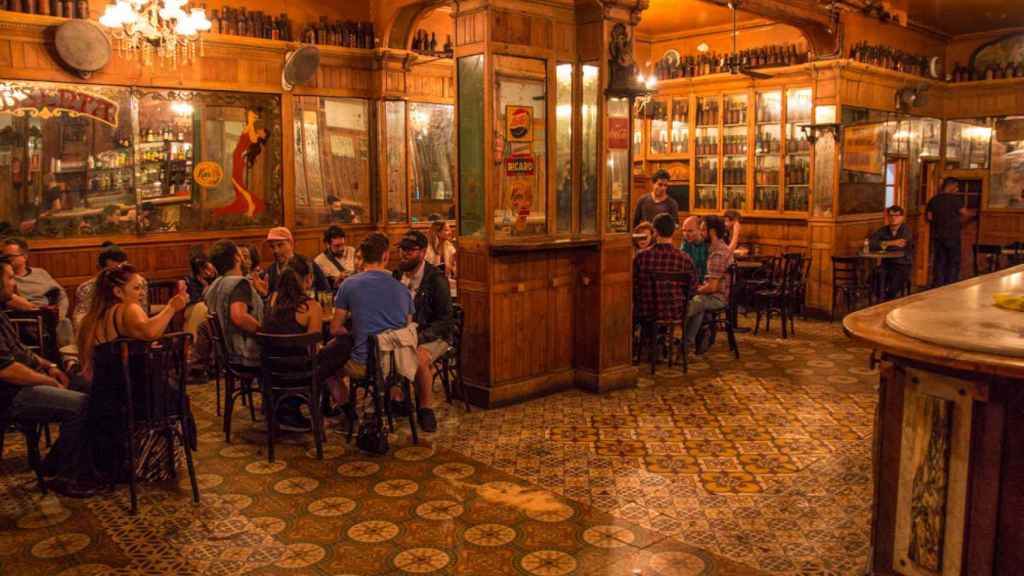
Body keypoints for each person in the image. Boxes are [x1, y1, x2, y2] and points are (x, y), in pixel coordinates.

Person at [48, 263, 188, 496]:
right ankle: (159, 459)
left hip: (106, 399)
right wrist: (172, 307)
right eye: (136, 288)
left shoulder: (94, 319)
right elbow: (149, 332)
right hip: (136, 398)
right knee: (175, 394)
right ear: (118, 292)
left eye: (142, 287)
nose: (142, 293)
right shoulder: (127, 309)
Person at [0, 256, 87, 494]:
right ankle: (65, 476)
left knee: (83, 387)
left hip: (21, 385)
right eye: (9, 278)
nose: (14, 285)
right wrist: (47, 380)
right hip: (10, 396)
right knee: (81, 405)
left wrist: (50, 366)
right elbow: (7, 370)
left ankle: (54, 463)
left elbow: (21, 351)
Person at [329, 232, 413, 393]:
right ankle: (391, 396)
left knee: (326, 366)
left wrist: (355, 332)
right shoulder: (403, 289)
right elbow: (407, 328)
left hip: (364, 365)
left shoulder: (349, 285)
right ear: (385, 256)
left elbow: (334, 329)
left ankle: (346, 409)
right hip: (399, 365)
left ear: (361, 257)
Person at [393, 230, 454, 433]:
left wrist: (418, 338)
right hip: (403, 332)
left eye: (409, 251)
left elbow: (445, 321)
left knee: (418, 357)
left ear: (423, 252)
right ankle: (397, 399)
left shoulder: (436, 279)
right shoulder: (397, 274)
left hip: (434, 335)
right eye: (402, 250)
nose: (404, 254)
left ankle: (425, 408)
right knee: (382, 348)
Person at [2, 237, 73, 346]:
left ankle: (69, 361)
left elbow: (61, 295)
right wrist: (35, 310)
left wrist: (61, 314)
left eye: (9, 256)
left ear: (24, 256)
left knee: (65, 322)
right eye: (3, 256)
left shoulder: (40, 273)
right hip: (24, 319)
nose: (5, 260)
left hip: (50, 315)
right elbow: (9, 299)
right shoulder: (4, 279)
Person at [634, 214, 696, 326]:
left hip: (647, 311)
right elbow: (692, 290)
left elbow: (635, 285)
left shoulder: (641, 256)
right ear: (673, 232)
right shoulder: (685, 258)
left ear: (655, 232)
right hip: (676, 312)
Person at [684, 215, 734, 352]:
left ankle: (670, 319)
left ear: (711, 232)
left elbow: (713, 287)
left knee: (694, 302)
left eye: (703, 230)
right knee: (698, 305)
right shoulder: (718, 248)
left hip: (718, 298)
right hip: (714, 295)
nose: (701, 233)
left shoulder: (717, 254)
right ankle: (686, 345)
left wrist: (694, 290)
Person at [73, 243, 150, 330]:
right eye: (112, 272)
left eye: (122, 271)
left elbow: (143, 315)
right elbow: (79, 321)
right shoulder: (87, 288)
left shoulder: (139, 283)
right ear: (99, 269)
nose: (118, 277)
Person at [927, 177, 969, 287]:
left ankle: (938, 284)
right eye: (956, 186)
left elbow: (929, 217)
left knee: (939, 261)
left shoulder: (934, 200)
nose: (957, 189)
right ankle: (951, 285)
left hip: (937, 235)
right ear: (950, 186)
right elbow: (964, 213)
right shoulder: (956, 200)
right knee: (953, 261)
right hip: (953, 235)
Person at [265, 227, 330, 296]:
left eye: (280, 245)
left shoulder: (307, 265)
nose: (276, 251)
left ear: (291, 244)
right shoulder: (270, 272)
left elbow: (326, 292)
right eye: (272, 247)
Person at [869, 205, 914, 300]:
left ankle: (887, 301)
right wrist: (892, 242)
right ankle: (882, 299)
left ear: (902, 217)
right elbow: (872, 244)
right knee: (873, 277)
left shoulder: (906, 230)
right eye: (891, 216)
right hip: (887, 263)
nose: (893, 218)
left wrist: (884, 244)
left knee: (895, 283)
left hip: (902, 264)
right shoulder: (883, 230)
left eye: (897, 216)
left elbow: (900, 246)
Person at [313, 225, 356, 290]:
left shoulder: (352, 251)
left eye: (342, 244)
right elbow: (321, 287)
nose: (341, 248)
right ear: (327, 244)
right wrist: (337, 281)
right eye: (337, 246)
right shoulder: (319, 261)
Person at [680, 215, 708, 283]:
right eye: (684, 230)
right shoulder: (686, 242)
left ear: (700, 230)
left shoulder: (708, 243)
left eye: (690, 231)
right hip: (691, 283)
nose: (686, 234)